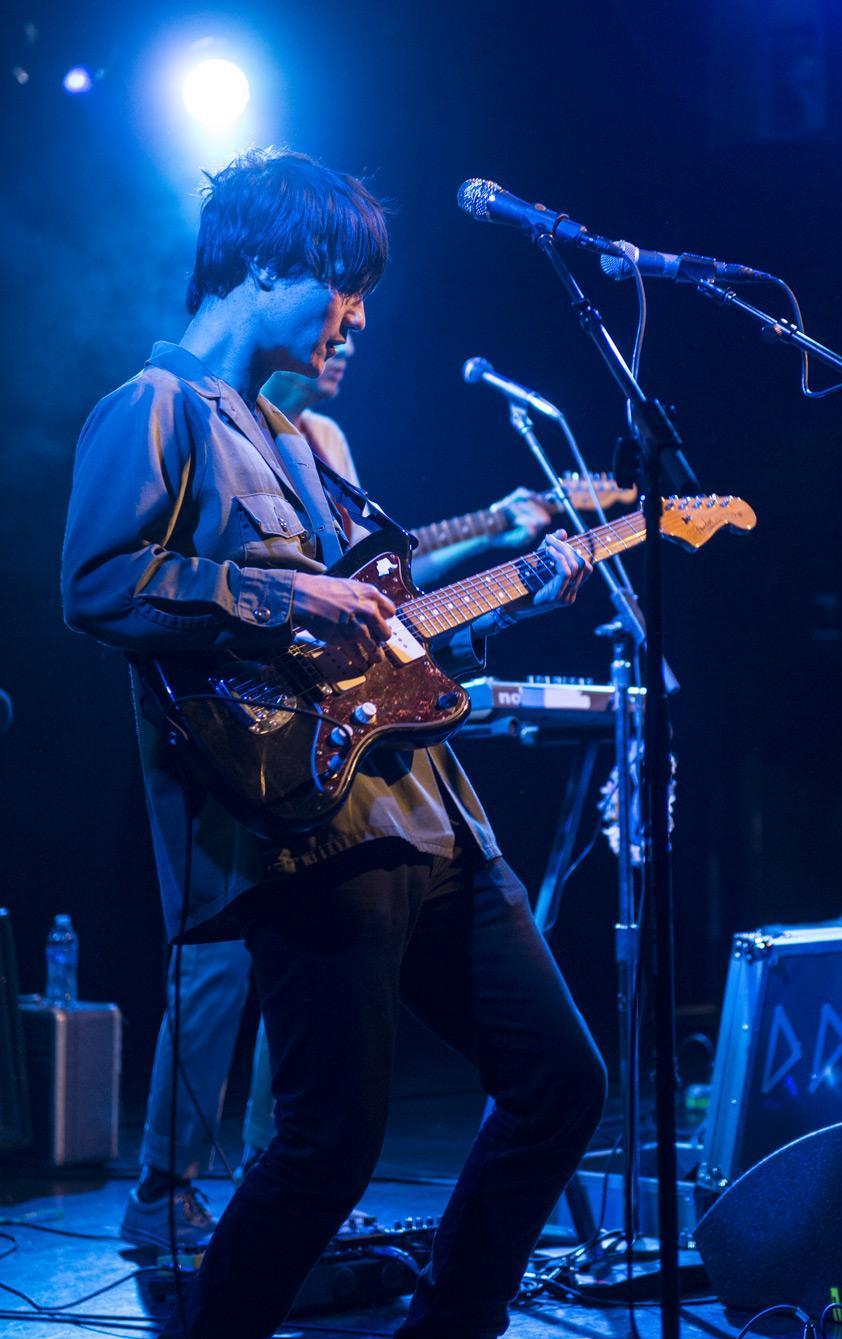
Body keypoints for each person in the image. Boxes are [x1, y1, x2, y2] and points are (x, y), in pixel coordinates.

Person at [62, 148, 606, 1339]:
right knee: (329, 1141)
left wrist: (516, 588)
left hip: (437, 817)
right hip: (310, 829)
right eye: (343, 286)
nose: (356, 316)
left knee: (561, 1083)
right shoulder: (154, 407)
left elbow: (377, 626)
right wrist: (289, 595)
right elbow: (96, 583)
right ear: (266, 264)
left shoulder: (308, 443)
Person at [118, 321, 551, 1254]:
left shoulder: (325, 446)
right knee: (214, 971)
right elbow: (119, 583)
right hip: (233, 743)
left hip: (324, 753)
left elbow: (380, 597)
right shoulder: (177, 410)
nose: (350, 335)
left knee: (307, 1019)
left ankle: (272, 1176)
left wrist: (506, 568)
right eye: (340, 309)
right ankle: (165, 1186)